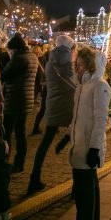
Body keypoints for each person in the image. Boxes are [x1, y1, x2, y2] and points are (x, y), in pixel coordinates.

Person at [56, 46, 110, 220]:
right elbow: (77, 118)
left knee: (84, 194)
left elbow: (101, 119)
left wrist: (95, 148)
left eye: (81, 65)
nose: (77, 69)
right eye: (76, 65)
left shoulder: (99, 86)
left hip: (87, 147)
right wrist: (66, 137)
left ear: (90, 66)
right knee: (87, 189)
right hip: (78, 146)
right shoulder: (81, 86)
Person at [27, 35, 76, 194]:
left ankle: (34, 177)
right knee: (77, 142)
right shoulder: (69, 63)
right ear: (69, 48)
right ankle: (77, 184)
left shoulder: (50, 61)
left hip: (53, 104)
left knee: (45, 142)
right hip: (69, 107)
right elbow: (76, 81)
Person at [1, 34, 39, 173]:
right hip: (26, 99)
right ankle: (19, 162)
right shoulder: (33, 57)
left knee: (7, 132)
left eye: (10, 51)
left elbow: (4, 75)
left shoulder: (18, 58)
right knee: (20, 133)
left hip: (14, 99)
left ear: (14, 49)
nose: (9, 53)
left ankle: (5, 161)